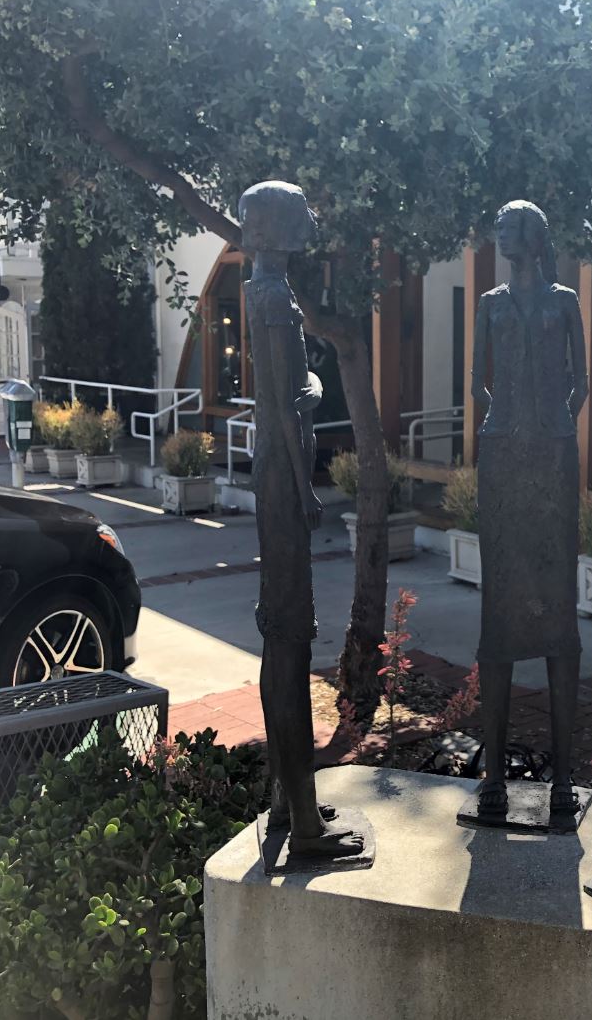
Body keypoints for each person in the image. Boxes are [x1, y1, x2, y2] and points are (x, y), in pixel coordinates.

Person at [240, 180, 362, 859]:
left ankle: (288, 798)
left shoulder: (265, 290)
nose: (311, 220)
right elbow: (286, 409)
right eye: (301, 212)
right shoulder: (272, 297)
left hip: (275, 472)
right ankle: (305, 824)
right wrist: (305, 490)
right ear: (278, 225)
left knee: (281, 637)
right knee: (288, 640)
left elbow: (284, 393)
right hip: (282, 481)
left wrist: (308, 389)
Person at [471, 200, 588, 820]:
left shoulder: (564, 301)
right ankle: (492, 775)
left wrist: (555, 425)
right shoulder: (489, 304)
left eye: (512, 226)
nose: (502, 235)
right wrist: (506, 422)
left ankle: (564, 777)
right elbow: (476, 382)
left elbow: (582, 382)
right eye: (500, 227)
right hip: (503, 455)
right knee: (500, 602)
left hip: (553, 454)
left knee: (556, 596)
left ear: (537, 237)